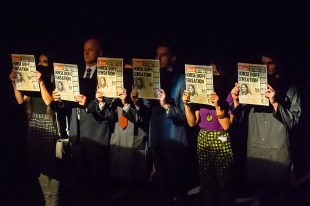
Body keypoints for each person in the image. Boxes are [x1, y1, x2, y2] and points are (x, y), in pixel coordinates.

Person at [230, 50, 301, 205]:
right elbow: (239, 117)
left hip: (277, 147)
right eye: (263, 64)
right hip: (257, 145)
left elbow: (293, 121)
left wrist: (275, 103)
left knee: (281, 194)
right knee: (261, 193)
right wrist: (235, 100)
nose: (266, 67)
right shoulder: (251, 85)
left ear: (279, 64)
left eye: (271, 63)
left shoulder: (290, 88)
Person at [52, 38, 115, 206]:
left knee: (97, 182)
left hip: (96, 135)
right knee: (79, 180)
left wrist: (89, 104)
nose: (86, 52)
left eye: (91, 50)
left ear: (100, 53)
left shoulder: (106, 75)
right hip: (77, 134)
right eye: (84, 49)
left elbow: (110, 112)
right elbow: (67, 104)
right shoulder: (76, 73)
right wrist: (59, 100)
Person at [9, 52, 63, 206]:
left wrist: (41, 83)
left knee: (52, 164)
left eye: (44, 61)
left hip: (49, 124)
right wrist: (14, 82)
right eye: (39, 61)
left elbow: (48, 101)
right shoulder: (31, 83)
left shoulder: (53, 82)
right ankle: (48, 199)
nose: (40, 64)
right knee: (39, 164)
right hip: (34, 124)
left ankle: (55, 200)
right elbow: (20, 100)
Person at [182, 64, 236, 206]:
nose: (212, 76)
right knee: (206, 180)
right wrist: (187, 105)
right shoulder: (201, 93)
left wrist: (218, 106)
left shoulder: (228, 95)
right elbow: (192, 122)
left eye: (216, 73)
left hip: (221, 139)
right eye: (209, 73)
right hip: (203, 137)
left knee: (224, 180)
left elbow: (226, 125)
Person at [149, 43, 190, 206]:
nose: (158, 58)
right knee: (161, 188)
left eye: (163, 55)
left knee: (178, 187)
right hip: (156, 139)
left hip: (175, 140)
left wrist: (166, 105)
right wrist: (138, 98)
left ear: (173, 58)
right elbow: (147, 106)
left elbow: (186, 115)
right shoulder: (152, 78)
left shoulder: (182, 79)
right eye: (156, 54)